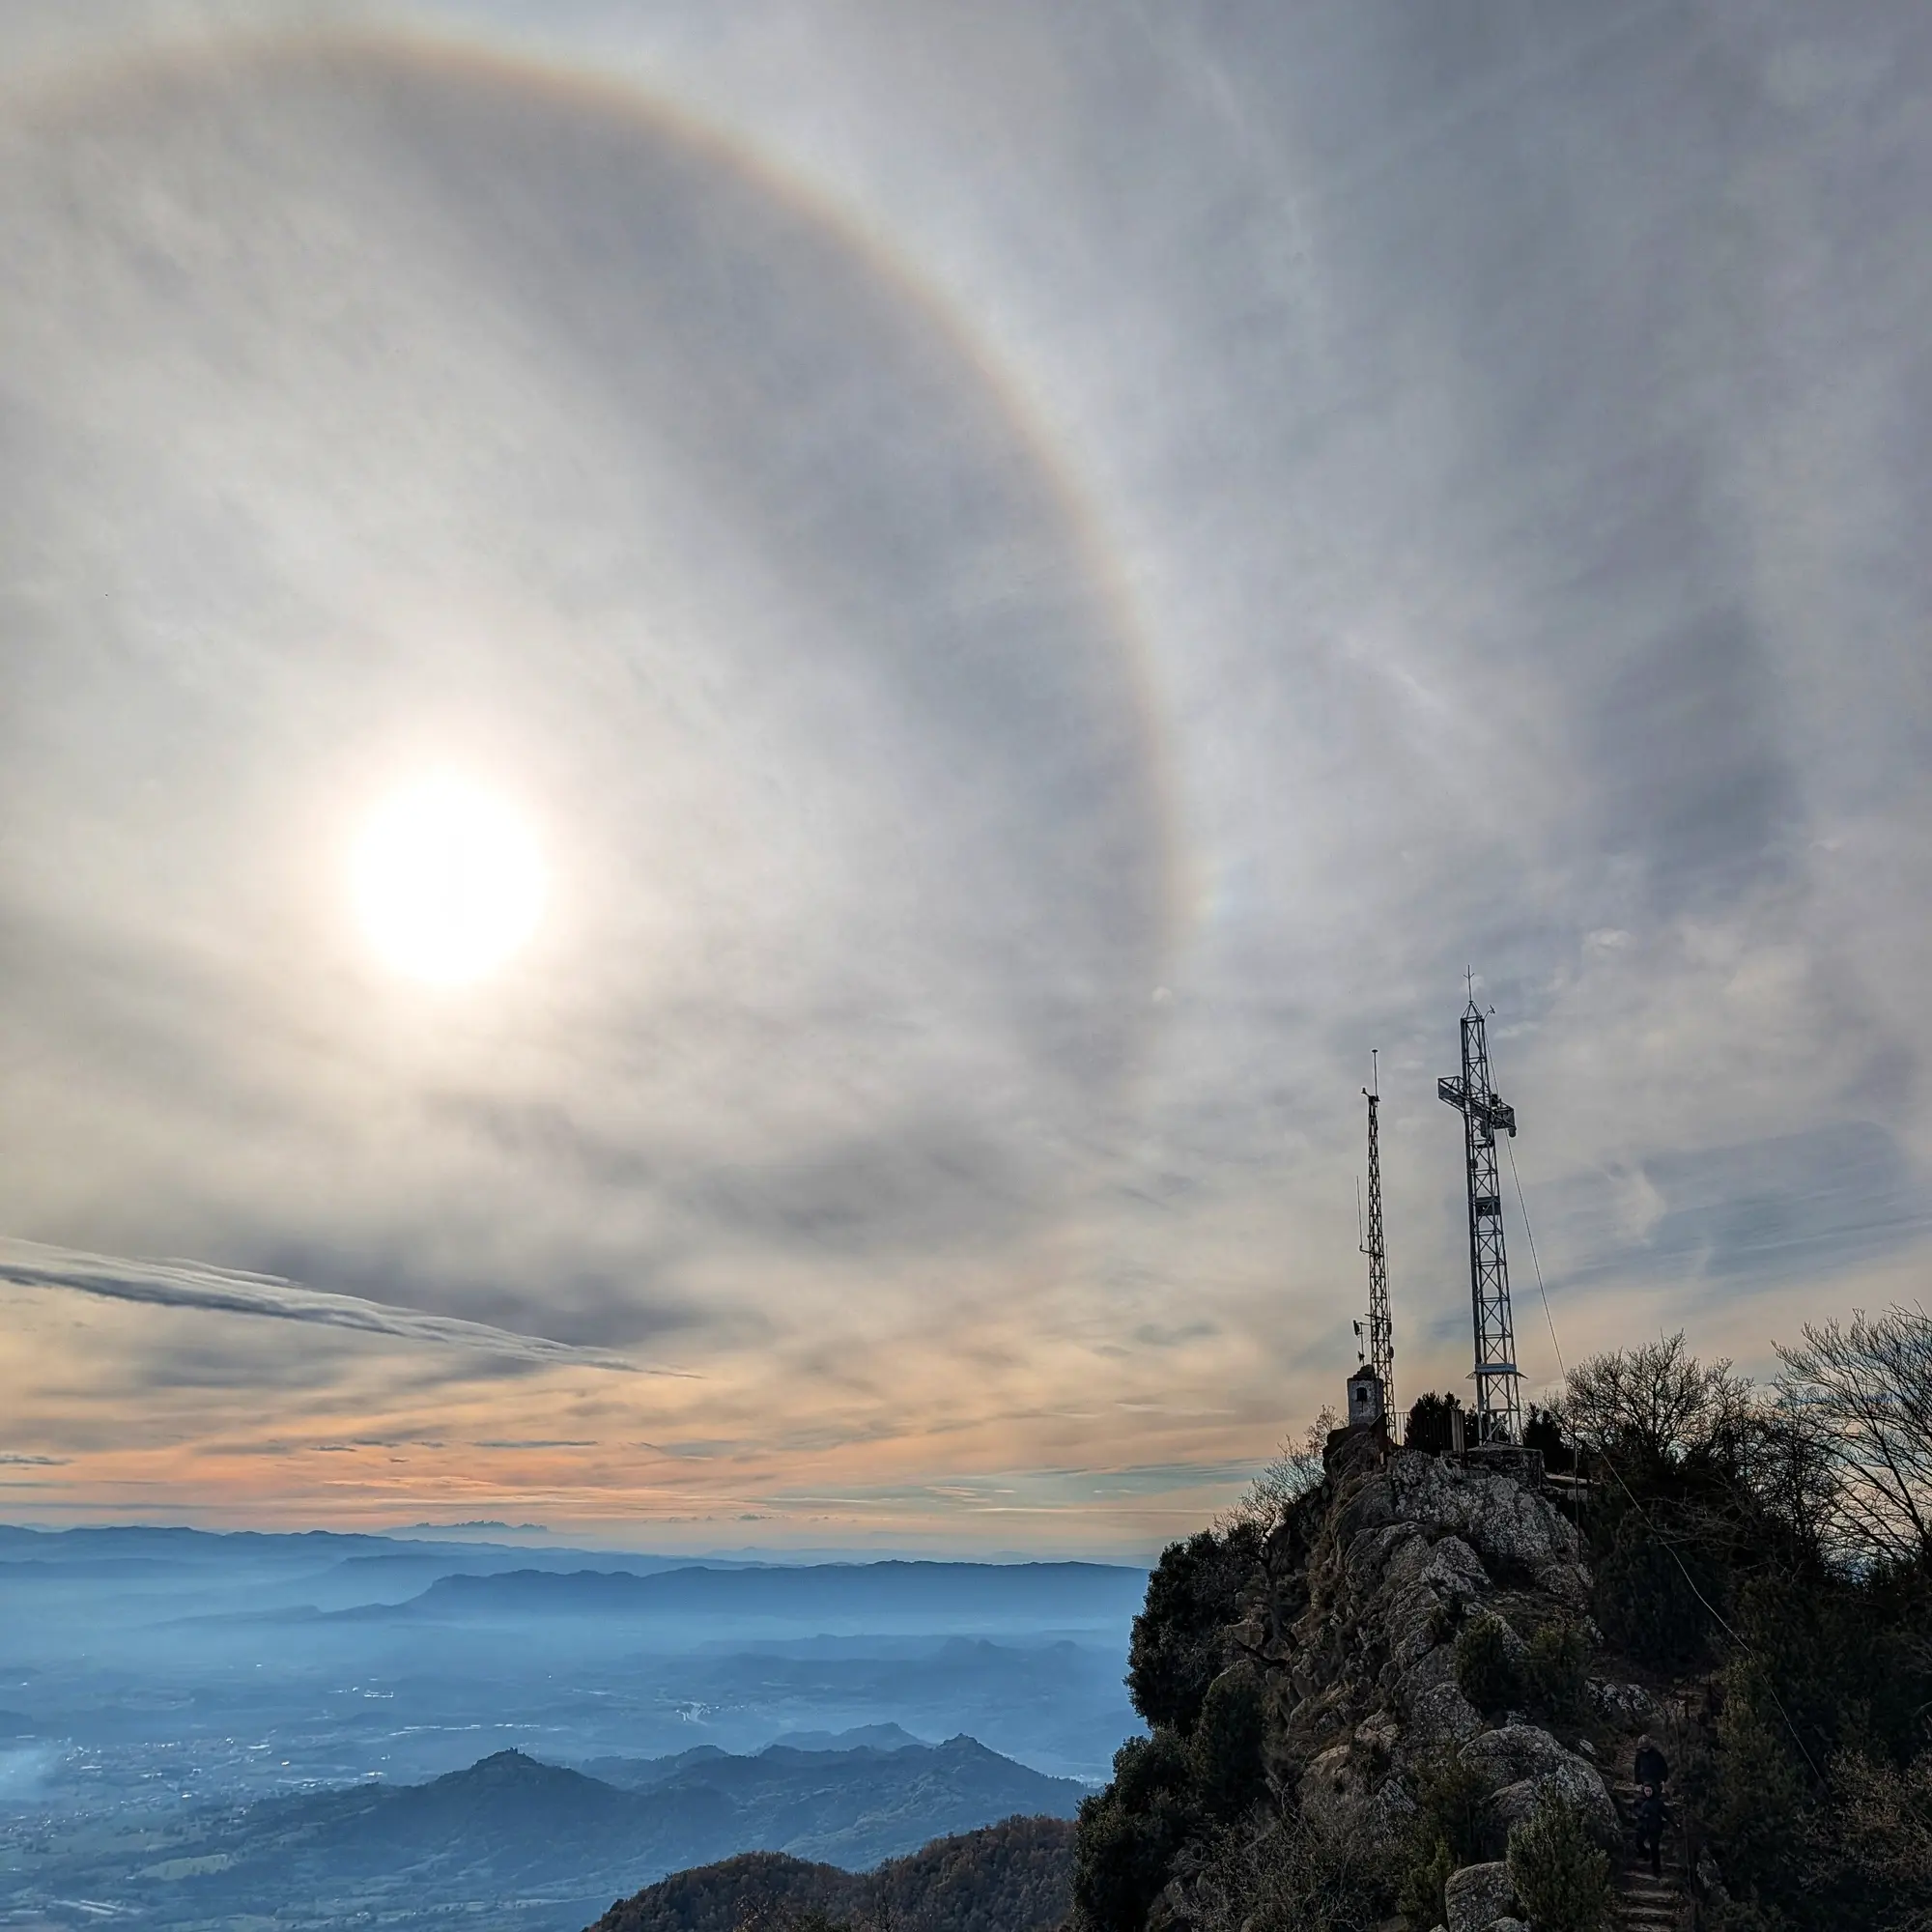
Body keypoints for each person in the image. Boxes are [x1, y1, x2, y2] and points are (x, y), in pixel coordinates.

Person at [1634, 1780, 1670, 1879]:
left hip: (1655, 1827)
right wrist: (1641, 1814)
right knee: (1638, 1842)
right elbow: (1636, 1809)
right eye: (1646, 1791)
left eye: (1650, 1791)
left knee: (1654, 1847)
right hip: (1643, 1825)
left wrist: (1675, 1823)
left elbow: (1666, 1813)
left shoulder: (1657, 1802)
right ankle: (1645, 1854)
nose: (1648, 1793)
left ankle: (1657, 1870)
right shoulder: (1640, 1800)